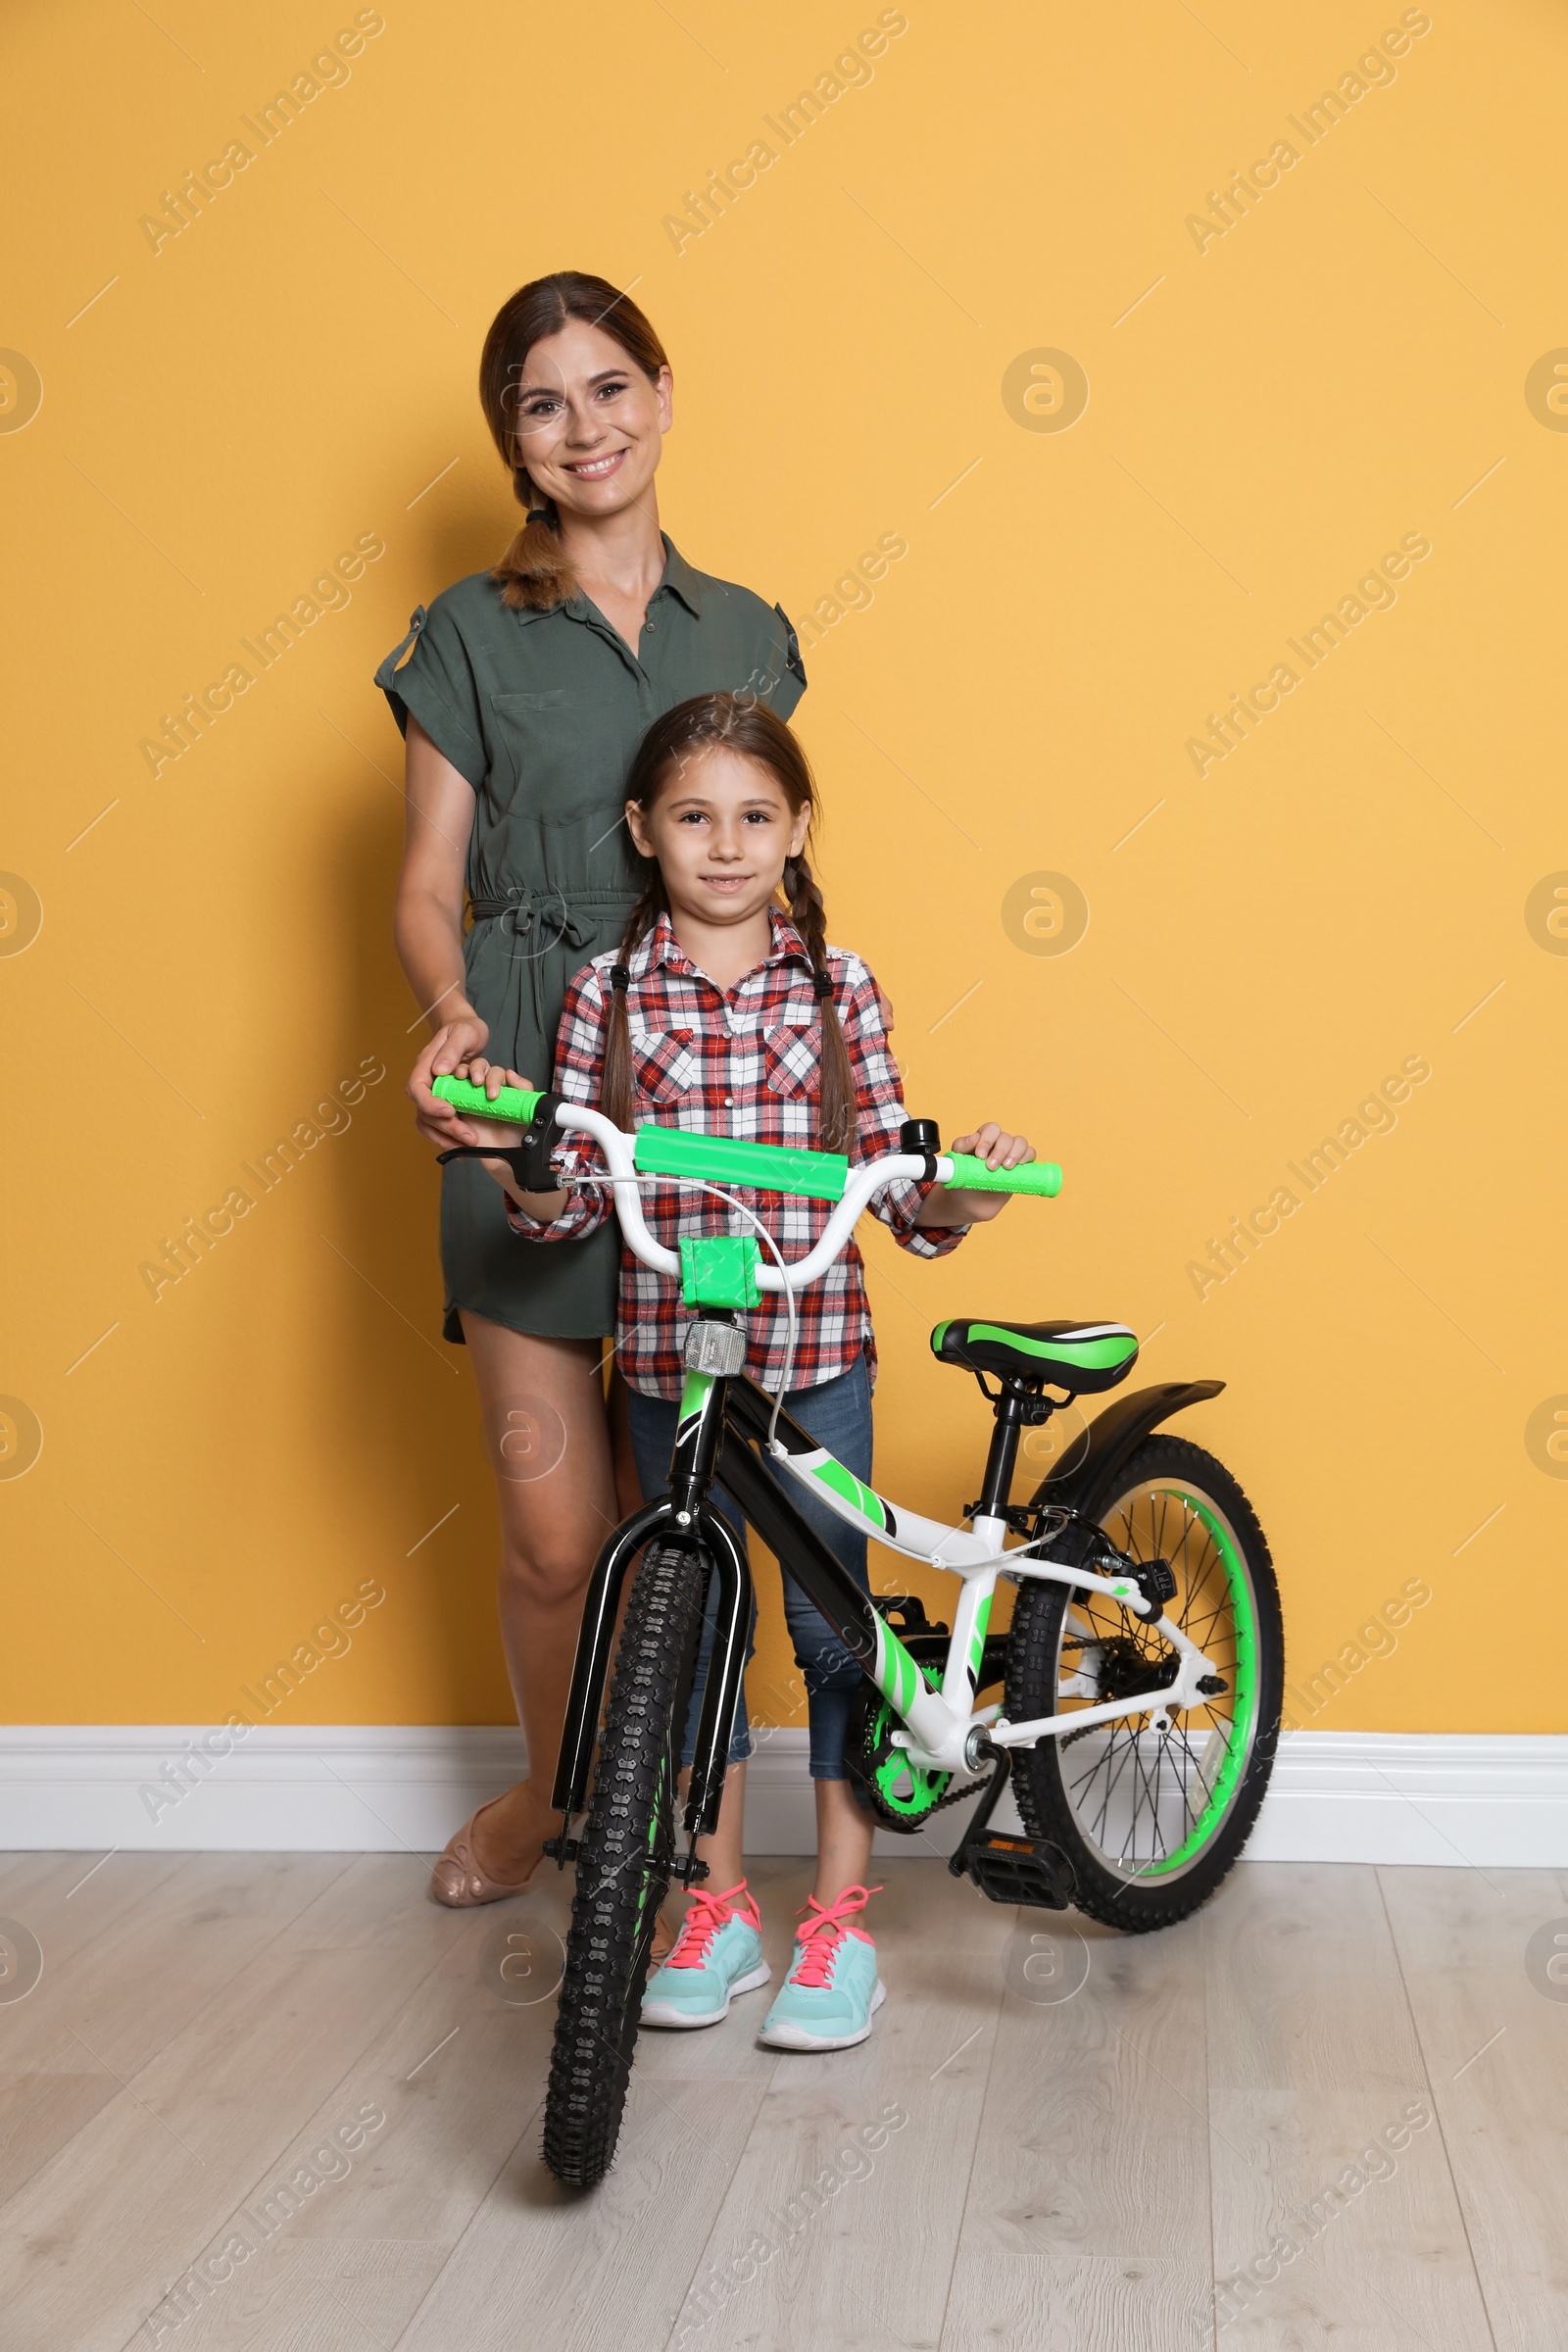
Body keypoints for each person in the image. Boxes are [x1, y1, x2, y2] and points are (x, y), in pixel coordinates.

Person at [466, 691, 1033, 2051]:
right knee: (686, 1643)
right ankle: (713, 1904)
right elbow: (579, 1200)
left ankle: (840, 1922)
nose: (726, 845)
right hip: (674, 1368)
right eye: (694, 817)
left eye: (756, 816)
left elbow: (899, 1185)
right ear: (641, 829)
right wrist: (526, 1180)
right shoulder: (609, 993)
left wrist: (963, 1197)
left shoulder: (840, 989)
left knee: (834, 1641)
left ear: (797, 830)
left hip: (815, 1358)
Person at [380, 273, 806, 1907]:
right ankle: (553, 1803)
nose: (587, 426)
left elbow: (762, 856)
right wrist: (447, 1020)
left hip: (708, 1068)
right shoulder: (469, 635)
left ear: (665, 395)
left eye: (611, 386)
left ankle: (698, 1848)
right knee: (562, 1534)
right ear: (515, 440)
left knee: (686, 1504)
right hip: (528, 1073)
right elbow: (428, 880)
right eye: (546, 403)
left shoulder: (747, 629)